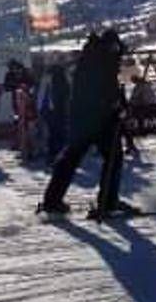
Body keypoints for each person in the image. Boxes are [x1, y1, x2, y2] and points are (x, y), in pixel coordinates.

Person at [40, 30, 126, 215]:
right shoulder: (103, 60)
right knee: (113, 157)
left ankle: (52, 200)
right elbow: (103, 91)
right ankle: (108, 202)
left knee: (71, 158)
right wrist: (114, 105)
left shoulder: (92, 56)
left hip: (81, 118)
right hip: (97, 118)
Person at [42, 63, 71, 163]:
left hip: (57, 113)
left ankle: (54, 156)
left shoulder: (58, 83)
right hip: (55, 112)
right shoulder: (60, 82)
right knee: (56, 135)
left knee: (55, 135)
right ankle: (55, 156)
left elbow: (59, 99)